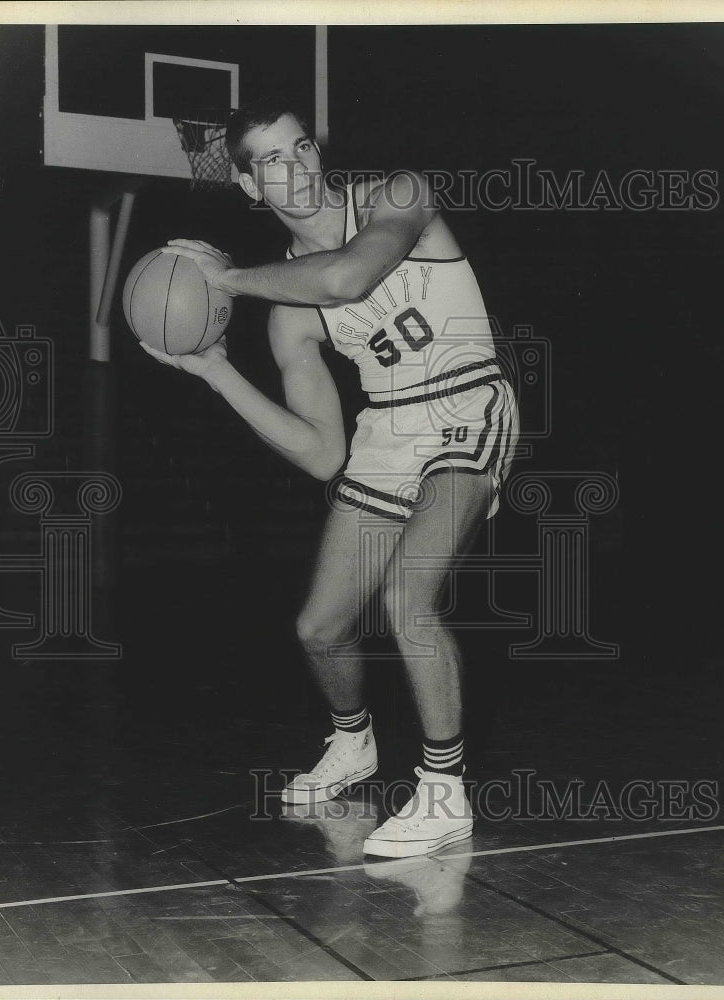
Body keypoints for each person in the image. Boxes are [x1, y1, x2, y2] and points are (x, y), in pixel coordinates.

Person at [142, 97, 518, 858]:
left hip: (466, 401)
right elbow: (320, 452)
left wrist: (225, 282)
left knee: (406, 595)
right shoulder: (287, 313)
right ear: (249, 187)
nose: (297, 166)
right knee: (319, 627)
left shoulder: (397, 196)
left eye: (301, 146)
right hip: (387, 428)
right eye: (272, 160)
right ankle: (354, 743)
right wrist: (215, 369)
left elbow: (347, 278)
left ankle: (444, 791)